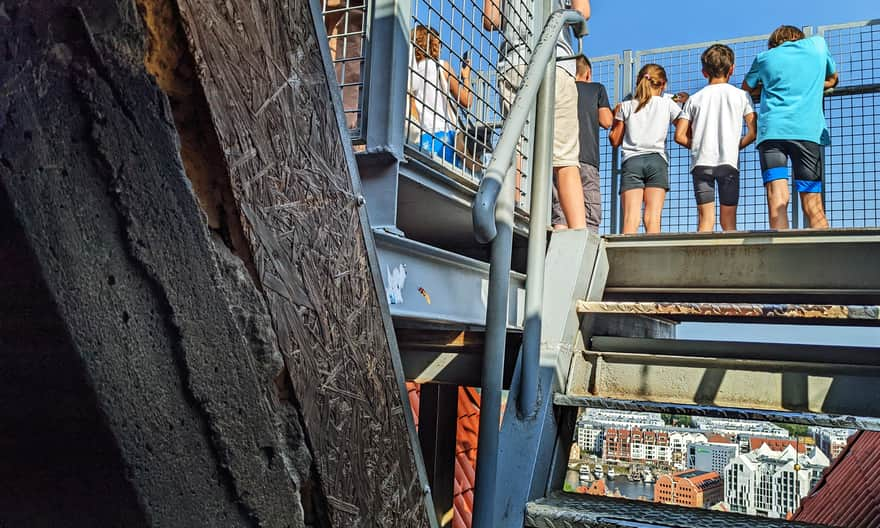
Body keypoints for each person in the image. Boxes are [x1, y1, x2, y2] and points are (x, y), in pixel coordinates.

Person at [483, 0, 591, 229]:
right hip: (557, 60)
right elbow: (583, 12)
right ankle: (579, 233)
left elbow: (490, 20)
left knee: (517, 150)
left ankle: (512, 221)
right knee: (565, 158)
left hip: (516, 62)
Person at [742, 25, 839, 230]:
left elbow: (746, 89)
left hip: (772, 134)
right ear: (799, 37)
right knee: (813, 203)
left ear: (773, 43)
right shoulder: (818, 45)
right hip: (807, 133)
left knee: (776, 199)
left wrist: (767, 86)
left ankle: (781, 253)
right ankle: (822, 254)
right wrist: (811, 85)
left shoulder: (764, 58)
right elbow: (832, 79)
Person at [674, 44, 757, 232]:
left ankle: (703, 261)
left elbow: (679, 136)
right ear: (732, 69)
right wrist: (736, 147)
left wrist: (697, 146)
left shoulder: (694, 99)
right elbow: (753, 132)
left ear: (704, 72)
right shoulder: (742, 96)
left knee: (705, 222)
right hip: (728, 164)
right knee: (729, 223)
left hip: (701, 164)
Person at [609, 64, 681, 234]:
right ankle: (654, 259)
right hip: (657, 161)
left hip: (632, 162)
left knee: (630, 219)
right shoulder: (667, 104)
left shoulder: (626, 106)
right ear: (663, 84)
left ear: (638, 81)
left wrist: (616, 118)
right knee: (653, 219)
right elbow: (684, 127)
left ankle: (626, 257)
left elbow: (615, 140)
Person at [552, 55, 612, 232]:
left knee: (560, 211)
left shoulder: (560, 87)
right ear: (588, 74)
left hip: (560, 157)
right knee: (589, 213)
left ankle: (559, 251)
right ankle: (585, 250)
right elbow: (607, 121)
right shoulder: (597, 89)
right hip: (587, 158)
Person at [408, 25, 472, 165]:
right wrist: (466, 77)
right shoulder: (442, 66)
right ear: (434, 44)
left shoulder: (412, 69)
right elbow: (467, 101)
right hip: (446, 136)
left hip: (422, 137)